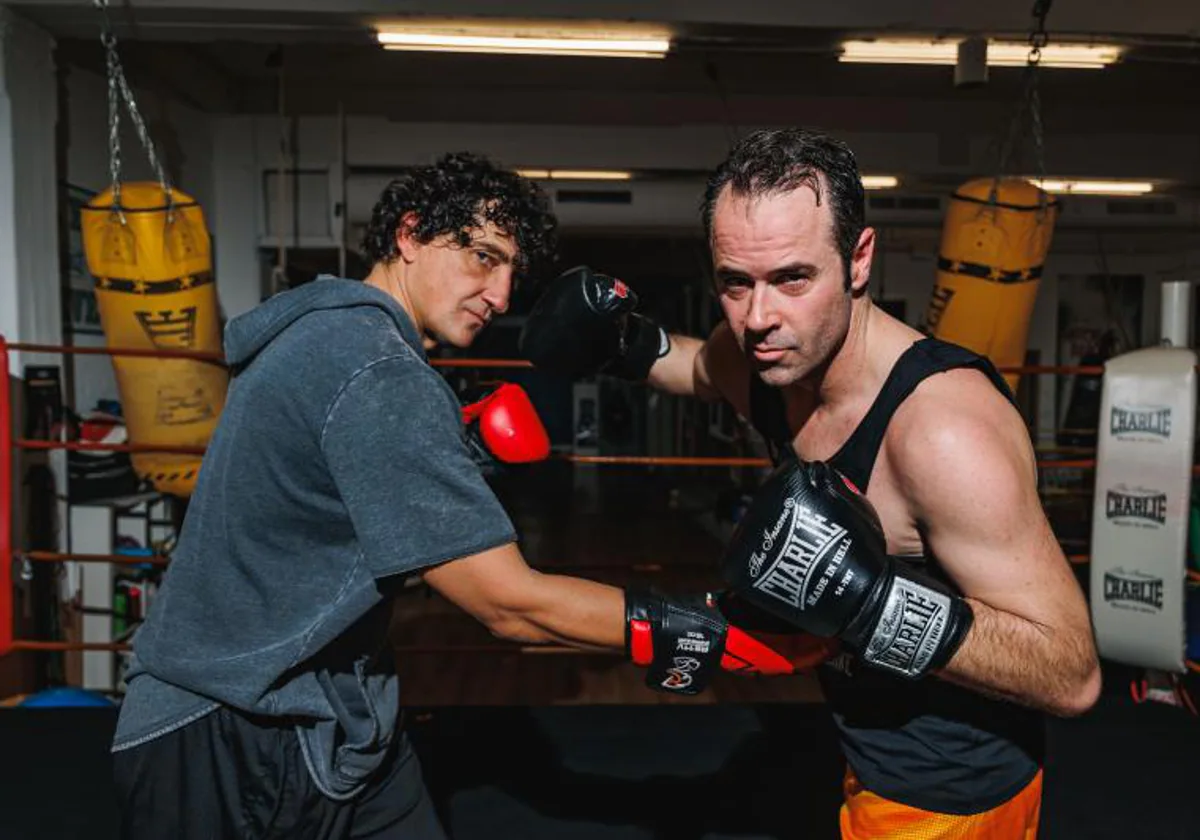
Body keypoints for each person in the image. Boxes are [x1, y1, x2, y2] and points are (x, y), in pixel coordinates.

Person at [110, 151, 834, 840]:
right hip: (229, 726)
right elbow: (509, 605)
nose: (502, 295)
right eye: (483, 258)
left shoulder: (323, 336)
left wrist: (459, 445)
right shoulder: (376, 374)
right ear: (410, 236)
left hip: (333, 709)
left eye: (513, 270)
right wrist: (704, 630)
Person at [519, 128, 1102, 838]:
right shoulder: (762, 360)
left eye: (793, 278)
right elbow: (695, 365)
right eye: (736, 282)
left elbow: (1071, 676)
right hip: (855, 742)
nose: (759, 318)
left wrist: (870, 604)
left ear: (858, 260)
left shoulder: (943, 434)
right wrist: (625, 343)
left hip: (950, 791)